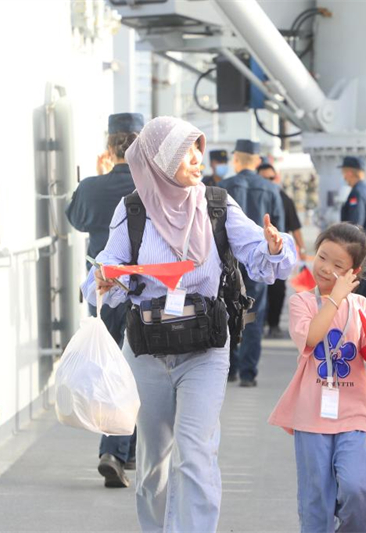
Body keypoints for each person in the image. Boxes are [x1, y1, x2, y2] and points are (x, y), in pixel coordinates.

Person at [81, 116, 296, 532]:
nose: (198, 158)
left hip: (205, 349)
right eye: (186, 151)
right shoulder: (132, 211)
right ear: (160, 161)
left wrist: (275, 245)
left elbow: (263, 255)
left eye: (199, 147)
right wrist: (105, 278)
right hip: (146, 352)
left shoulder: (216, 203)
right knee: (153, 466)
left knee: (196, 454)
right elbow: (99, 278)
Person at [268, 222, 366, 533]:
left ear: (353, 272)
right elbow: (312, 339)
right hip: (311, 415)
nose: (325, 268)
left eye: (337, 265)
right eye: (321, 257)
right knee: (316, 500)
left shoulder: (360, 306)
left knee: (359, 488)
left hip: (354, 413)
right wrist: (333, 299)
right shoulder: (302, 302)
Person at [65, 112, 143, 488]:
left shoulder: (93, 187)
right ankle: (120, 449)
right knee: (140, 369)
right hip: (148, 291)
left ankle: (119, 450)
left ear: (109, 146)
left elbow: (75, 219)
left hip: (103, 291)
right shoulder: (154, 186)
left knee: (111, 366)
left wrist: (91, 178)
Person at [219, 140, 285, 387]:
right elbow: (279, 230)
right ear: (257, 161)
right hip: (258, 263)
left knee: (227, 313)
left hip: (229, 263)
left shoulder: (221, 188)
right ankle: (248, 373)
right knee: (252, 315)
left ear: (236, 159)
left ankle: (230, 368)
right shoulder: (270, 189)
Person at [258, 163, 305, 339]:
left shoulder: (284, 198)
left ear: (275, 178)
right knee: (256, 290)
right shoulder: (254, 196)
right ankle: (258, 323)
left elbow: (295, 226)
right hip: (258, 253)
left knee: (277, 290)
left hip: (279, 254)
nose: (268, 182)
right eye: (263, 178)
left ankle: (274, 324)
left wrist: (302, 250)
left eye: (270, 178)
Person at [339, 156, 366, 301]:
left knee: (354, 301)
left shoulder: (357, 193)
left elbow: (355, 229)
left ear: (349, 172)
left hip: (360, 257)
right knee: (362, 300)